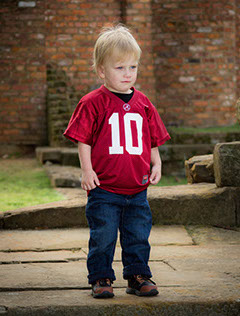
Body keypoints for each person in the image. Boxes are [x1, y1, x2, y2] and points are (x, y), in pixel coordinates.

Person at [64, 25, 170, 299]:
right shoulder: (92, 102)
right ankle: (101, 277)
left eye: (132, 67)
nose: (128, 74)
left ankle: (137, 276)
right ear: (101, 70)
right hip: (105, 189)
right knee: (104, 235)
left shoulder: (144, 103)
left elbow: (151, 138)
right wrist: (87, 170)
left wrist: (156, 163)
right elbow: (83, 140)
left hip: (137, 188)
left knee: (138, 235)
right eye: (120, 68)